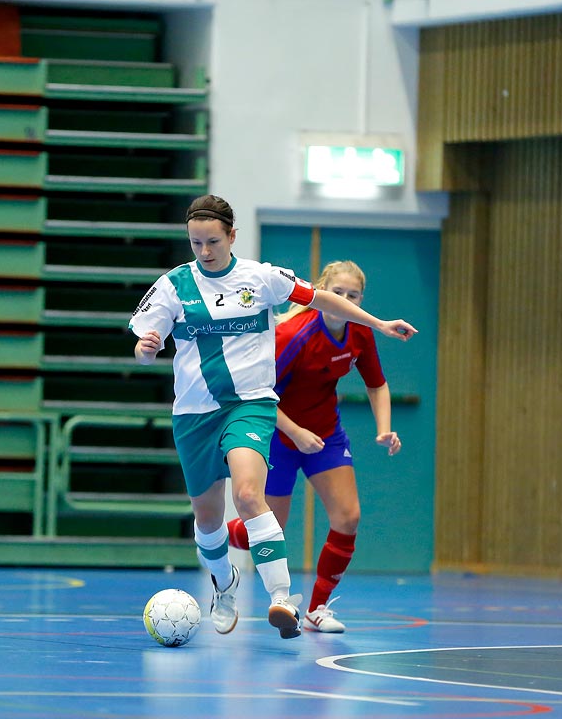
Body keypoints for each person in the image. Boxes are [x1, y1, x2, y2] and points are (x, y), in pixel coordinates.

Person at [130, 196, 416, 639]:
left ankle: (283, 599)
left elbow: (321, 299)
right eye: (195, 242)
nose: (204, 251)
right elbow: (144, 346)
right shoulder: (172, 286)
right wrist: (146, 349)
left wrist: (377, 324)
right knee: (207, 521)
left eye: (212, 241)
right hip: (195, 414)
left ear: (231, 237)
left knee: (248, 495)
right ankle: (224, 584)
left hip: (250, 404)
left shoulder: (260, 278)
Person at [224, 260, 401, 633]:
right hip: (278, 434)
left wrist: (384, 428)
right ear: (322, 292)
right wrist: (296, 432)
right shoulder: (294, 334)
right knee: (269, 528)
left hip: (326, 435)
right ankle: (219, 535)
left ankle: (317, 608)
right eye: (338, 293)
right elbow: (258, 394)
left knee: (348, 517)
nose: (345, 300)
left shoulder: (360, 332)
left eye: (353, 295)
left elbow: (376, 383)